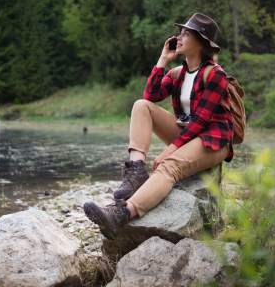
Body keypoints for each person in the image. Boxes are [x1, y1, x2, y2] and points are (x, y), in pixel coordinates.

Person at [83, 13, 234, 240]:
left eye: (186, 33)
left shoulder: (216, 75)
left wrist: (170, 150)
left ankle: (123, 214)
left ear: (201, 42)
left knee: (169, 166)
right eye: (181, 32)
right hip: (187, 133)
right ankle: (136, 171)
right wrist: (163, 59)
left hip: (213, 139)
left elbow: (201, 121)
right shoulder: (179, 73)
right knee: (141, 105)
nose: (179, 37)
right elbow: (150, 95)